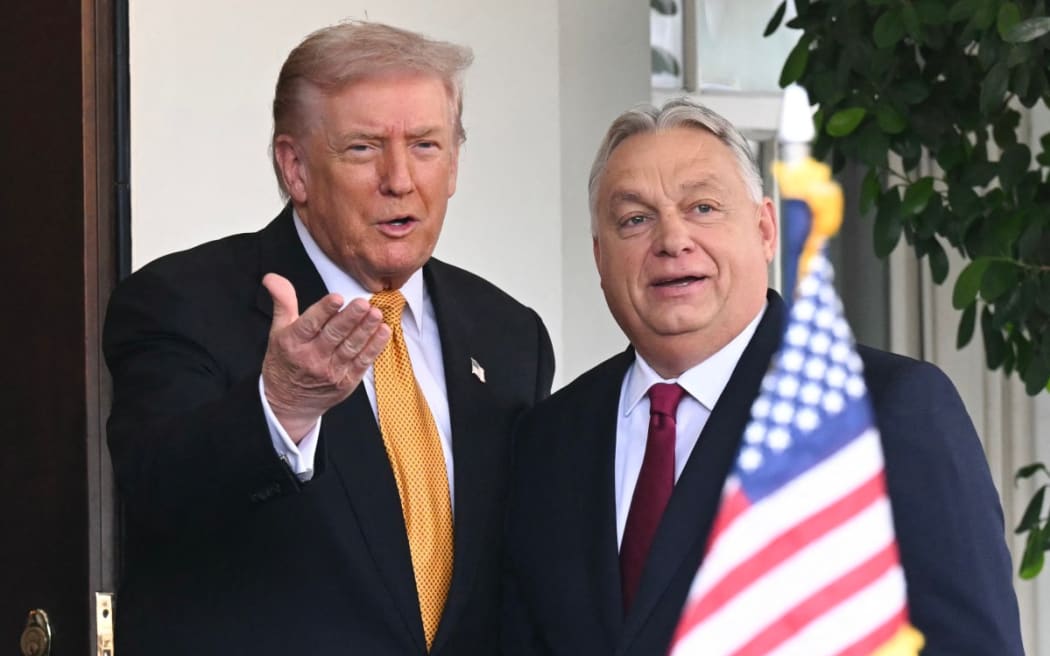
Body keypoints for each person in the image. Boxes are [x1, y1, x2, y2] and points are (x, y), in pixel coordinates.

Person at [502, 98, 1022, 655]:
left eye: (703, 207)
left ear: (766, 229)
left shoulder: (888, 409)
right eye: (635, 219)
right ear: (601, 258)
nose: (672, 239)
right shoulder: (549, 439)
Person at [104, 21, 554, 655]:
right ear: (296, 168)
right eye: (364, 149)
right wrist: (279, 407)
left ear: (454, 163)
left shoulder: (511, 334)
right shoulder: (184, 302)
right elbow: (158, 494)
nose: (400, 179)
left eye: (425, 145)